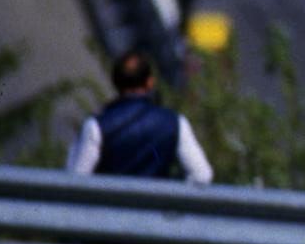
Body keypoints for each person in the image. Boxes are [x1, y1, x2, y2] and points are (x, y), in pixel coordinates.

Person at [66, 52, 213, 184]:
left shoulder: (96, 125)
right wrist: (170, 185)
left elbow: (77, 178)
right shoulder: (175, 122)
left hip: (111, 210)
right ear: (150, 82)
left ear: (114, 82)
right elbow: (202, 175)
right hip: (155, 210)